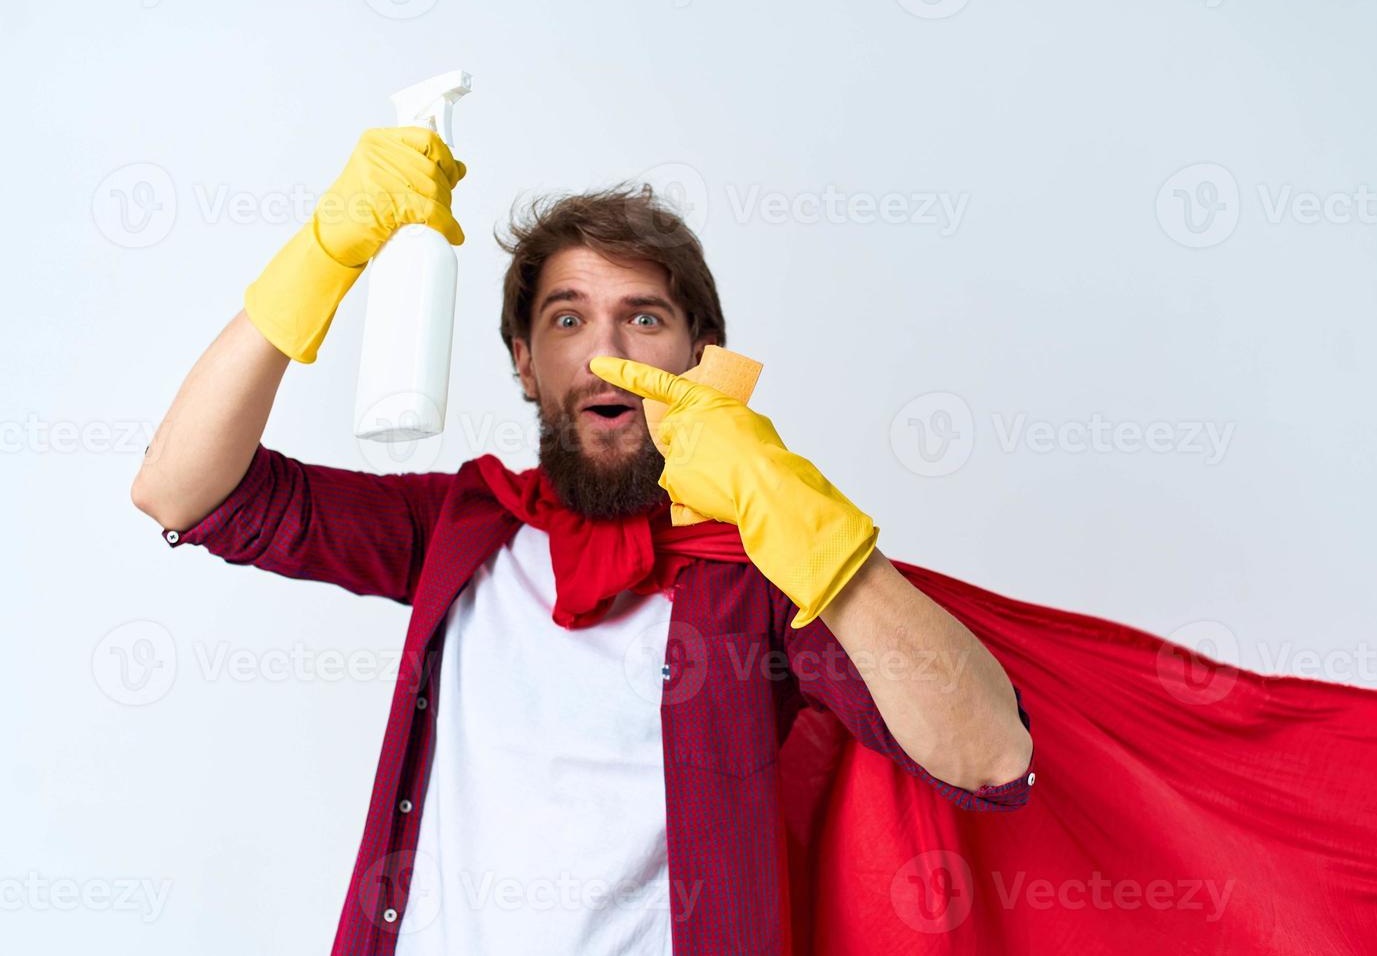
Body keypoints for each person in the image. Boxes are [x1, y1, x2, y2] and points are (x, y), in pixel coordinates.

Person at [129, 127, 1035, 955]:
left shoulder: (762, 574)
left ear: (701, 357)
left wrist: (797, 516)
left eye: (643, 318)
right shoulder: (458, 530)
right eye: (567, 320)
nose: (608, 352)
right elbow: (183, 489)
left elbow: (990, 754)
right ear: (523, 359)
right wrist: (321, 256)